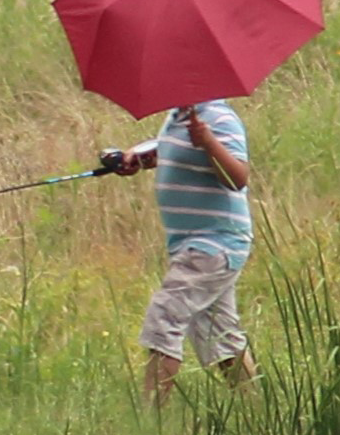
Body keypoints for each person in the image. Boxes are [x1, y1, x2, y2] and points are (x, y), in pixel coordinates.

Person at [97, 94, 253, 401]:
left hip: (215, 243)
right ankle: (257, 412)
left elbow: (238, 178)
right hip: (193, 244)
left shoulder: (219, 118)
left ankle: (150, 423)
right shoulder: (178, 116)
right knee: (219, 334)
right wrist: (138, 158)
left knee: (165, 316)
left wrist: (209, 142)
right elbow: (176, 149)